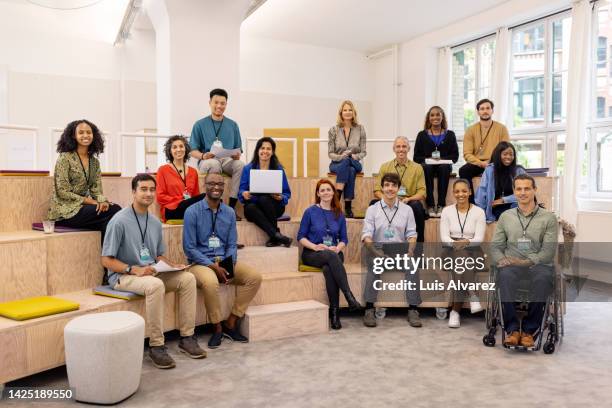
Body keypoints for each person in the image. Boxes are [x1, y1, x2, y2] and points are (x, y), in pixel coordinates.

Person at [101, 174, 205, 369]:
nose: (148, 193)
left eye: (151, 190)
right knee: (156, 285)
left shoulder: (155, 222)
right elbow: (106, 260)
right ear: (133, 192)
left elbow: (157, 256)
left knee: (188, 279)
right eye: (143, 189)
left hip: (150, 272)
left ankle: (187, 337)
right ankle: (156, 346)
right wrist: (133, 269)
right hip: (123, 276)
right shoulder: (119, 221)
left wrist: (172, 265)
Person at [183, 173, 262, 349]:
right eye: (212, 183)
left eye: (220, 184)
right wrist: (213, 266)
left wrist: (227, 265)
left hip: (223, 261)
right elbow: (189, 248)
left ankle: (231, 322)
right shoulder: (192, 212)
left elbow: (232, 244)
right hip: (200, 263)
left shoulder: (229, 212)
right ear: (205, 185)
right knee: (211, 282)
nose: (216, 187)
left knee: (254, 277)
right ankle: (217, 327)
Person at [490, 174, 558, 348]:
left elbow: (548, 252)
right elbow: (496, 246)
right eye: (519, 189)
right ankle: (512, 329)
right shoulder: (506, 216)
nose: (522, 192)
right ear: (514, 191)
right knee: (504, 277)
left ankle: (529, 330)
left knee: (543, 279)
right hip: (511, 265)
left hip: (539, 265)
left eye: (527, 188)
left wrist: (524, 262)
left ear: (535, 190)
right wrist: (502, 260)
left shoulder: (548, 218)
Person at [297, 179, 362, 330]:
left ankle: (334, 313)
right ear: (318, 194)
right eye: (322, 190)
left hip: (333, 253)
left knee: (329, 268)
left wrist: (338, 248)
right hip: (313, 254)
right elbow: (300, 237)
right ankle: (349, 296)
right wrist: (315, 246)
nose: (326, 192)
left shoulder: (339, 214)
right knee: (329, 257)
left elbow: (344, 239)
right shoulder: (310, 211)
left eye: (329, 190)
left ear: (334, 192)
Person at [362, 173, 421, 328]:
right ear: (382, 188)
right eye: (387, 185)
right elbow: (366, 235)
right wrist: (376, 253)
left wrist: (410, 250)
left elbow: (412, 234)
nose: (390, 189)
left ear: (398, 188)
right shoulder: (372, 209)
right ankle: (369, 309)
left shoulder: (407, 210)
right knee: (374, 266)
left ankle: (413, 309)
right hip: (378, 248)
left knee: (413, 265)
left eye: (393, 185)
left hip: (399, 249)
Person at [47, 119, 121, 242]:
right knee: (115, 211)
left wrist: (102, 201)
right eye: (81, 132)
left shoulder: (94, 162)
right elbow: (62, 191)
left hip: (84, 209)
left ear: (94, 135)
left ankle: (108, 256)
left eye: (88, 132)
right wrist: (92, 202)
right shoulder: (65, 158)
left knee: (112, 214)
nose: (85, 135)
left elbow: (96, 190)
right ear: (74, 136)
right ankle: (110, 256)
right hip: (65, 211)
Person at [189, 88, 245, 220]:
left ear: (226, 104)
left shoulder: (233, 125)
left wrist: (236, 155)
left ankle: (231, 207)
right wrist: (203, 156)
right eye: (216, 102)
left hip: (226, 159)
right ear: (210, 102)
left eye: (223, 103)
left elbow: (238, 149)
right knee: (214, 164)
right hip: (208, 160)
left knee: (240, 165)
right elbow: (192, 150)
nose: (219, 106)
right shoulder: (200, 124)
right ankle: (214, 206)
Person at [439, 179, 486, 328]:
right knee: (460, 258)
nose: (461, 194)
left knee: (461, 261)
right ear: (453, 193)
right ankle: (472, 294)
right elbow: (444, 238)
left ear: (470, 192)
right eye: (457, 191)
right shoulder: (447, 211)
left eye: (464, 191)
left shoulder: (479, 212)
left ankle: (455, 312)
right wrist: (456, 244)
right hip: (449, 250)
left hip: (474, 251)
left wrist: (464, 242)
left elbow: (478, 239)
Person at [239, 137, 292, 247]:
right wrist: (244, 194)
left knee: (265, 199)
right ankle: (276, 235)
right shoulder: (248, 168)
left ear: (272, 152)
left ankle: (275, 236)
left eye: (269, 149)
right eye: (262, 148)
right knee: (249, 208)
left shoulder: (278, 169)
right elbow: (241, 191)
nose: (265, 151)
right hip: (254, 208)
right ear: (257, 150)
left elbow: (287, 193)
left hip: (274, 207)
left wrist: (281, 197)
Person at [372, 136, 427, 242]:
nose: (401, 149)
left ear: (408, 149)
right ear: (394, 149)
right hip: (389, 199)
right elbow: (377, 190)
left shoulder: (417, 168)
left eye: (404, 146)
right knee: (373, 204)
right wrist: (387, 199)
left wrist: (409, 199)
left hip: (409, 201)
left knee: (417, 206)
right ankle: (376, 245)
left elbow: (422, 192)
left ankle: (418, 247)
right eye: (398, 146)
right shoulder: (385, 166)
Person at [458, 99, 510, 201]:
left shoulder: (502, 128)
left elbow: (506, 150)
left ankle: (496, 201)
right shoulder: (470, 130)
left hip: (496, 161)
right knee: (463, 170)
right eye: (482, 109)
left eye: (488, 108)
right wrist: (481, 163)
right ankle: (470, 201)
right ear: (478, 112)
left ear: (492, 111)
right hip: (478, 163)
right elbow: (467, 154)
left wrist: (492, 161)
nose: (485, 111)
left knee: (501, 171)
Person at [413, 106, 459, 218]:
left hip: (444, 167)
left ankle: (441, 205)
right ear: (428, 118)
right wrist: (429, 160)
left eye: (438, 114)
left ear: (442, 117)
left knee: (444, 167)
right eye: (432, 115)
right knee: (426, 167)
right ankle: (430, 205)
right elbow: (416, 157)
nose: (435, 117)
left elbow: (455, 156)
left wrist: (441, 159)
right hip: (428, 167)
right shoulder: (422, 135)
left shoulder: (450, 135)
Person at [328, 100, 367, 218]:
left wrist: (353, 156)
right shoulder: (334, 130)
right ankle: (348, 207)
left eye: (350, 110)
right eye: (345, 110)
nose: (348, 112)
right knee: (350, 169)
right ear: (341, 113)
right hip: (337, 163)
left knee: (349, 164)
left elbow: (363, 152)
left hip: (354, 161)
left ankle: (337, 198)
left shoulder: (360, 129)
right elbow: (330, 153)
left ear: (354, 112)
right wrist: (342, 156)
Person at [156, 135, 205, 222]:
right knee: (206, 197)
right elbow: (160, 197)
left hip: (189, 207)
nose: (178, 149)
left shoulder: (193, 172)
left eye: (181, 146)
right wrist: (180, 199)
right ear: (170, 151)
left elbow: (196, 195)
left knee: (211, 198)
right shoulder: (162, 170)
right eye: (174, 147)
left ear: (185, 149)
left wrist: (189, 201)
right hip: (171, 209)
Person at [475, 141, 526, 223]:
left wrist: (503, 200)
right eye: (505, 154)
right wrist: (481, 214)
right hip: (497, 209)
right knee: (506, 217)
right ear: (498, 155)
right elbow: (481, 193)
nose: (508, 157)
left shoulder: (519, 171)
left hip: (516, 206)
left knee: (514, 216)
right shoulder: (489, 170)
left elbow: (525, 193)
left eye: (511, 154)